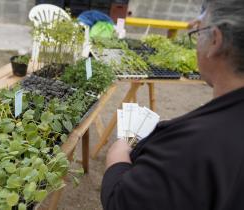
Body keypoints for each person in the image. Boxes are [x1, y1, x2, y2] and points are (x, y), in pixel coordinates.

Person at [101, 0, 244, 209]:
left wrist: (118, 157)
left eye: (198, 30)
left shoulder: (192, 147)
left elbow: (123, 202)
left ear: (215, 40)